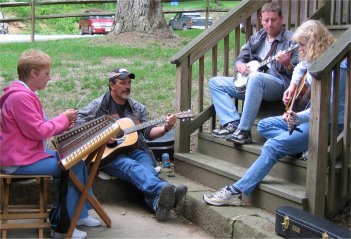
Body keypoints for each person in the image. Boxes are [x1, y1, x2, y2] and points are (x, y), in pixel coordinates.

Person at [203, 20, 346, 206]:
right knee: (264, 125)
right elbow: (302, 67)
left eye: (301, 45)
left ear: (314, 43)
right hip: (310, 118)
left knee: (272, 145)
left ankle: (236, 191)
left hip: (328, 125)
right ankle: (300, 146)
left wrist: (296, 117)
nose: (298, 49)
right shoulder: (316, 56)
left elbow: (324, 109)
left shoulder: (337, 69)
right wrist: (293, 86)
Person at [0, 50, 101, 239]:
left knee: (76, 160)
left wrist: (62, 121)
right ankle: (62, 227)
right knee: (72, 165)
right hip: (18, 160)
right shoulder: (20, 97)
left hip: (24, 155)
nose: (50, 78)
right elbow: (38, 131)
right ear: (33, 73)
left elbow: (40, 125)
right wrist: (63, 119)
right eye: (46, 73)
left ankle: (79, 215)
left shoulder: (23, 94)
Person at [76, 67, 188, 221]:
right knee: (132, 167)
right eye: (122, 82)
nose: (127, 86)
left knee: (147, 168)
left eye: (129, 82)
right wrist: (102, 135)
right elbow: (78, 121)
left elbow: (148, 133)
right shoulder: (98, 105)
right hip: (107, 154)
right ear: (112, 85)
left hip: (135, 150)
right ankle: (167, 190)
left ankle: (157, 205)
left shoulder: (137, 108)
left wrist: (166, 127)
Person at [209, 1, 299, 144]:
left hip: (278, 85)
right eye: (266, 20)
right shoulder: (257, 37)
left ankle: (244, 131)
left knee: (256, 77)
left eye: (274, 20)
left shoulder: (292, 40)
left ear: (281, 19)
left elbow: (299, 73)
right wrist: (240, 66)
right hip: (252, 83)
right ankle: (232, 123)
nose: (270, 24)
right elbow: (239, 59)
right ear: (261, 21)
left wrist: (287, 64)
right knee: (215, 82)